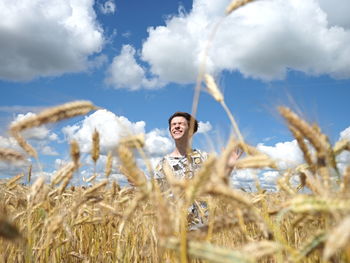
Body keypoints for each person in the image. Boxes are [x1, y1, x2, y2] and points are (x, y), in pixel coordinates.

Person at [155, 111, 241, 229]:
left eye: (181, 124)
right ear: (170, 131)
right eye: (173, 125)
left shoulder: (205, 157)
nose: (176, 126)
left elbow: (217, 183)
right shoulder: (162, 163)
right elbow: (157, 193)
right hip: (175, 226)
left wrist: (230, 166)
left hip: (202, 225)